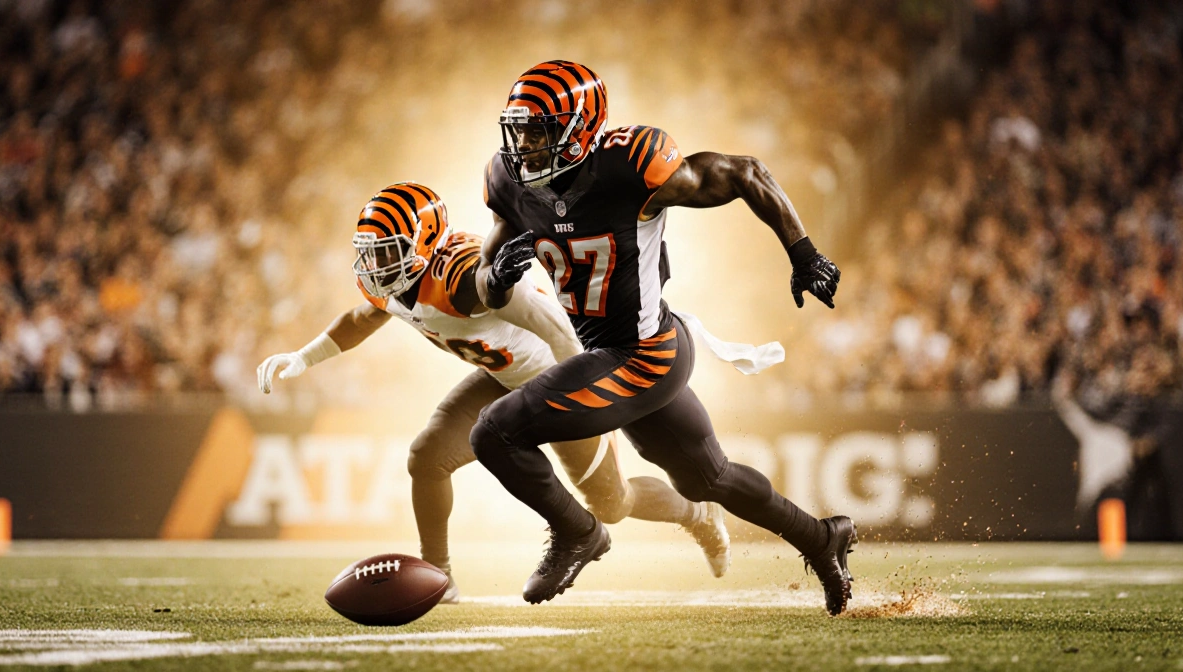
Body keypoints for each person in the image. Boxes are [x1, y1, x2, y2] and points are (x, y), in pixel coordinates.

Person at [471, 61, 856, 615]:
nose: (525, 145)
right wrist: (499, 276)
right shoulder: (509, 184)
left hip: (644, 354)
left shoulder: (631, 166)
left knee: (494, 433)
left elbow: (745, 171)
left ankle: (580, 532)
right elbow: (488, 289)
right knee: (708, 480)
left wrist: (805, 254)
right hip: (622, 356)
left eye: (540, 130)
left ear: (581, 128)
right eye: (519, 129)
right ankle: (823, 538)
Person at [257, 182, 731, 603]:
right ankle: (439, 577)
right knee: (427, 457)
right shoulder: (395, 282)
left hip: (558, 379)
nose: (376, 265)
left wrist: (584, 392)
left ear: (424, 245)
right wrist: (302, 357)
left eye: (388, 251)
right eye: (372, 251)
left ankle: (697, 515)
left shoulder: (464, 277)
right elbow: (364, 318)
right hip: (502, 379)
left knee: (612, 505)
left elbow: (558, 330)